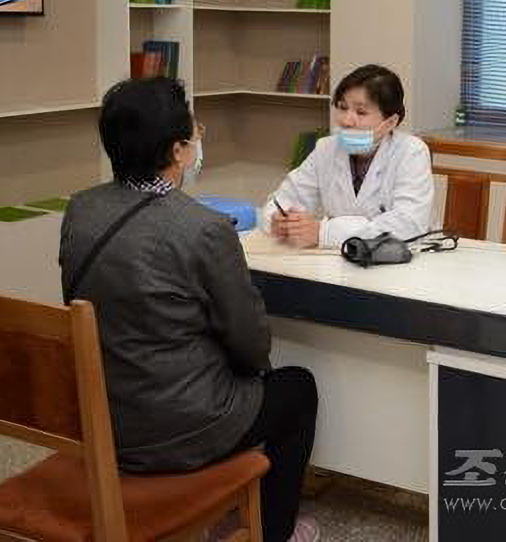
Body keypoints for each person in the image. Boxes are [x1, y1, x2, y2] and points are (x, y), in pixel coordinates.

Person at [59, 77, 320, 542]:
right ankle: (273, 531)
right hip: (177, 429)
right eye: (195, 132)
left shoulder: (80, 210)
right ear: (178, 151)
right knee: (297, 388)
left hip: (102, 417)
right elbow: (252, 346)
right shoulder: (203, 229)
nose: (200, 140)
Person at [259, 64, 433, 249]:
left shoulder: (411, 152)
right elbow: (282, 201)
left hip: (399, 266)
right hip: (336, 265)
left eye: (361, 112)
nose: (346, 120)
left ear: (390, 122)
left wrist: (323, 233)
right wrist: (280, 221)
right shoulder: (326, 148)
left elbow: (409, 226)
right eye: (342, 107)